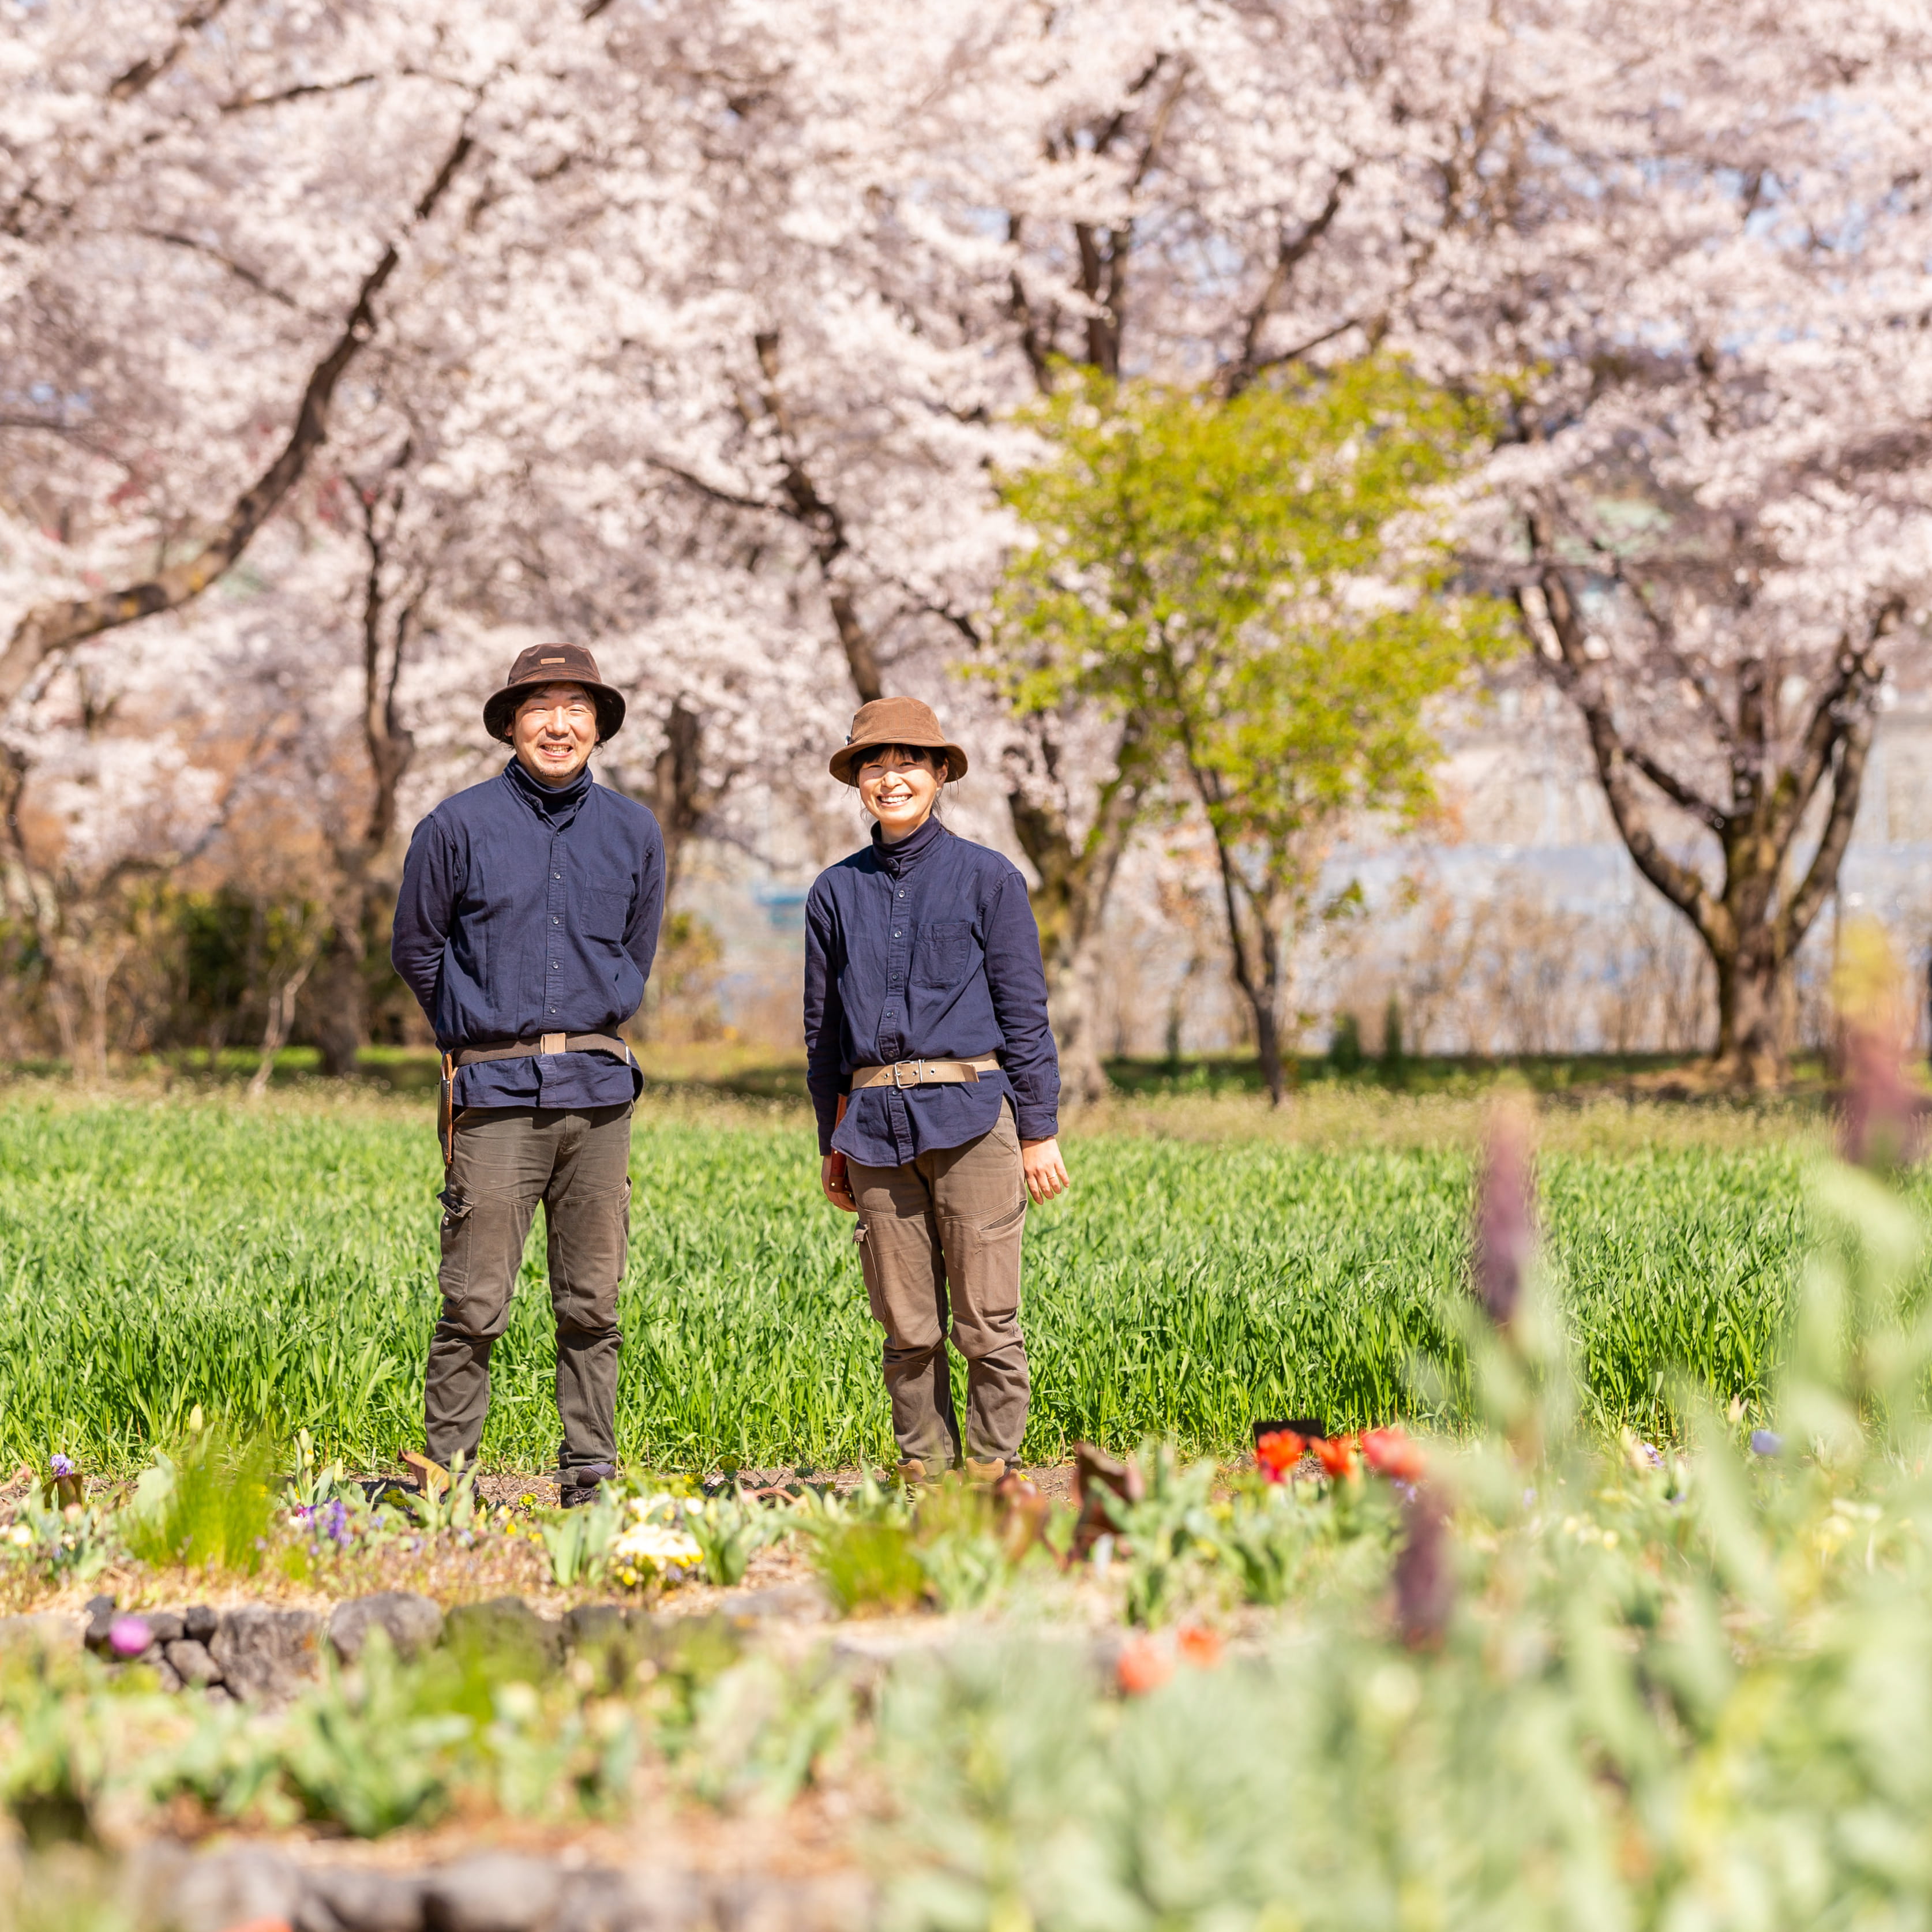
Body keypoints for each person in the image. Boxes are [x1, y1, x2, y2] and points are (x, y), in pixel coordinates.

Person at [391, 643, 664, 1507]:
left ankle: (589, 1476)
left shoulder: (633, 831)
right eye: (540, 706)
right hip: (496, 1095)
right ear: (510, 723)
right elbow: (416, 947)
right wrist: (473, 1027)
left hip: (599, 1096)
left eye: (576, 707)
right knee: (473, 1301)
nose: (559, 723)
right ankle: (448, 1481)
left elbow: (636, 948)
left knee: (592, 1303)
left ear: (597, 725)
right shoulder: (455, 826)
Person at [804, 696, 1070, 1484]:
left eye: (908, 761)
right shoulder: (833, 892)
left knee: (987, 1322)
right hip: (873, 1129)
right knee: (907, 1326)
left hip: (973, 1118)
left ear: (940, 771)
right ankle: (923, 1471)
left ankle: (993, 1473)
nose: (891, 777)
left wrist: (1037, 1129)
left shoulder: (990, 879)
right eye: (874, 764)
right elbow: (820, 1035)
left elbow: (1025, 1013)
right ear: (857, 781)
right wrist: (831, 1140)